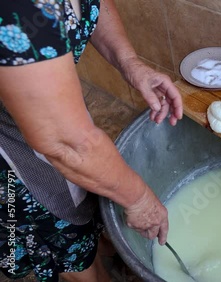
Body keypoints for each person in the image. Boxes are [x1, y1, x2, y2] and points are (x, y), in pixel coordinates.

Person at [0, 0, 183, 281]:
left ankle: (100, 251)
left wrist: (130, 62)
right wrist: (141, 200)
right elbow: (68, 145)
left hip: (53, 125)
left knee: (89, 207)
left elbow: (93, 4)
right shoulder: (17, 10)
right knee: (68, 247)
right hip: (12, 159)